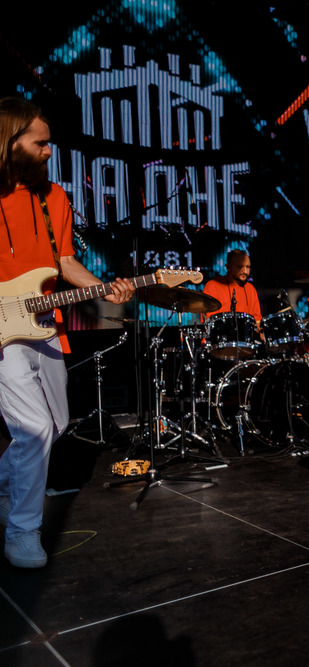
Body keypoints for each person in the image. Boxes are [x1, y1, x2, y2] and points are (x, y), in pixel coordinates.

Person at [0, 97, 134, 569]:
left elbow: (64, 262)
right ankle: (22, 531)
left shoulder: (53, 196)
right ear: (10, 141)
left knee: (55, 426)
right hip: (4, 336)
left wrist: (104, 288)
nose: (48, 150)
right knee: (33, 429)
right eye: (40, 143)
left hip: (45, 326)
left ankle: (6, 487)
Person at [202, 249, 261, 321]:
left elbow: (257, 320)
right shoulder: (213, 286)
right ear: (228, 267)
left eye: (248, 267)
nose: (245, 271)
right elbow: (209, 321)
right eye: (239, 267)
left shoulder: (250, 288)